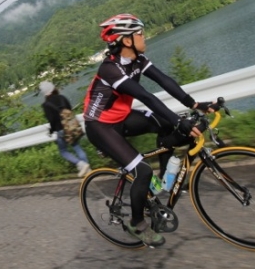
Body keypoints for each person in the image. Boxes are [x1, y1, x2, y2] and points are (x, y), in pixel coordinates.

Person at [82, 13, 213, 247]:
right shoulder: (109, 69)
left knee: (166, 125)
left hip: (122, 117)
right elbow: (145, 96)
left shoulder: (138, 60)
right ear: (127, 40)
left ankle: (163, 181)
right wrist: (178, 121)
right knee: (142, 170)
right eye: (140, 33)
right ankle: (136, 223)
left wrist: (194, 104)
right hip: (100, 126)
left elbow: (165, 80)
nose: (145, 37)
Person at [40, 81, 92, 177]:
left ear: (44, 93)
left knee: (63, 151)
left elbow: (52, 120)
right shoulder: (62, 98)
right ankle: (89, 171)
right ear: (53, 88)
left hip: (61, 130)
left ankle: (81, 164)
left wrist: (51, 130)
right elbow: (70, 110)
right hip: (72, 126)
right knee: (76, 146)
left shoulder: (46, 104)